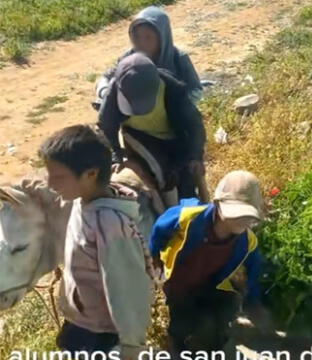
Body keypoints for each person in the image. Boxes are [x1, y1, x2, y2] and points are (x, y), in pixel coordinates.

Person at [40, 125, 154, 359]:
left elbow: (128, 290)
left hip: (99, 332)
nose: (50, 183)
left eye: (59, 176)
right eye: (48, 174)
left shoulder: (111, 226)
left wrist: (132, 344)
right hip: (80, 319)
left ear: (91, 174)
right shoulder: (82, 200)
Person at [149, 170, 267, 352]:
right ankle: (176, 346)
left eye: (247, 216)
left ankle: (212, 344)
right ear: (217, 205)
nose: (241, 220)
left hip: (209, 285)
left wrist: (253, 301)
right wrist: (155, 256)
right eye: (237, 214)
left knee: (221, 316)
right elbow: (159, 229)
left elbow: (254, 270)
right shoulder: (187, 217)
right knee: (180, 324)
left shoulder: (247, 242)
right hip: (178, 281)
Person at [97, 52, 207, 207]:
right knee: (163, 177)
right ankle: (167, 212)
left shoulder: (172, 88)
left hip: (176, 137)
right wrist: (116, 156)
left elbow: (194, 124)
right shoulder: (113, 93)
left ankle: (187, 209)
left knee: (185, 178)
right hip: (139, 137)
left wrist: (196, 155)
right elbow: (106, 126)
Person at [95, 6, 202, 105]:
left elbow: (196, 91)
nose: (141, 43)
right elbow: (106, 78)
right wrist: (105, 93)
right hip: (136, 112)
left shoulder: (178, 58)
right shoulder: (128, 57)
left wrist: (174, 103)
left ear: (162, 38)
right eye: (136, 36)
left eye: (148, 37)